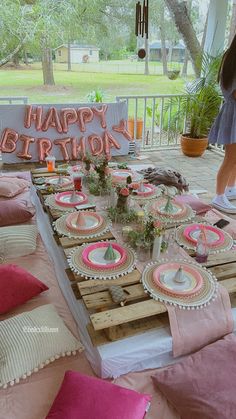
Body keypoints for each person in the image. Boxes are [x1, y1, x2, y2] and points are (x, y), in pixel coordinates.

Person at [209, 34, 236, 214]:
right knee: (230, 157)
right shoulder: (231, 57)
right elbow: (232, 91)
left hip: (232, 111)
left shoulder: (230, 55)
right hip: (234, 112)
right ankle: (219, 196)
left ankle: (230, 188)